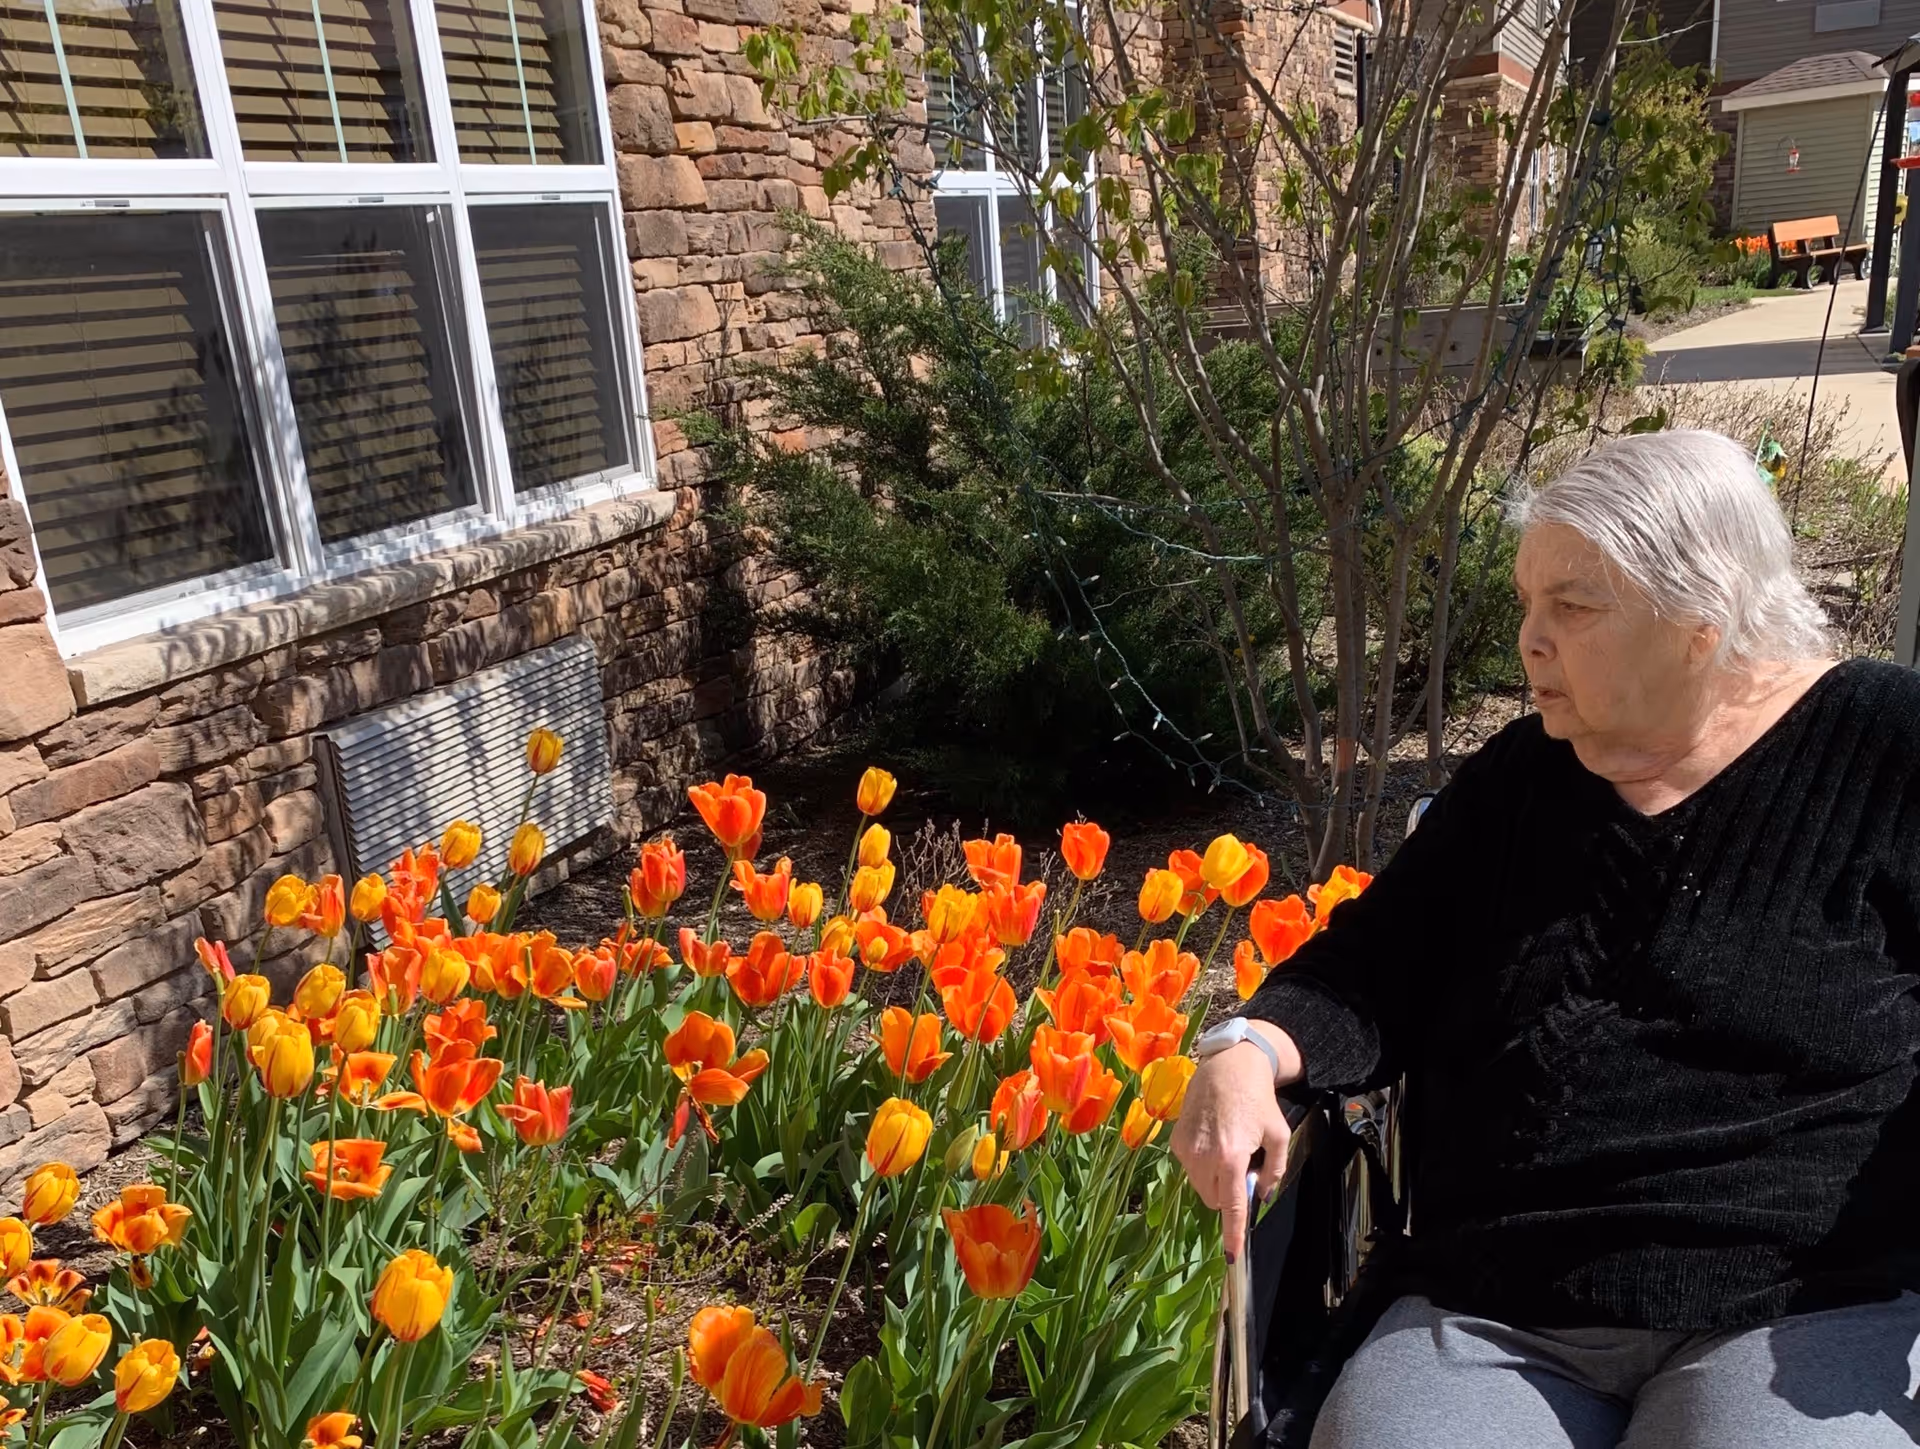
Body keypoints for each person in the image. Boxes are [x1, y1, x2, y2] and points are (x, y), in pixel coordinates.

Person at [1173, 429, 1920, 1448]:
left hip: (1799, 1300)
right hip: (1496, 1302)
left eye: (1572, 608)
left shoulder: (1887, 748)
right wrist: (1245, 1050)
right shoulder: (1522, 779)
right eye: (1528, 603)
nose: (1529, 639)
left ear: (1700, 616)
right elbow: (1368, 965)